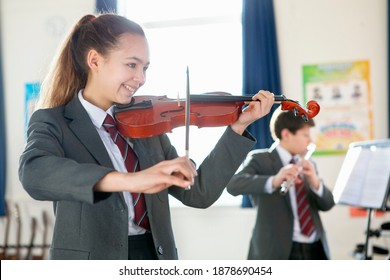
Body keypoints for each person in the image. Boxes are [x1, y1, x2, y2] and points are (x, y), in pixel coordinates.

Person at [18, 13, 274, 260]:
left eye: (145, 68)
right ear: (95, 60)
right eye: (131, 65)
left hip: (152, 257)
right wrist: (129, 181)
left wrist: (238, 127)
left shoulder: (146, 124)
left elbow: (200, 194)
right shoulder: (54, 121)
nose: (140, 78)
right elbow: (34, 173)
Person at [226, 108, 335, 260]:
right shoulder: (260, 159)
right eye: (305, 135)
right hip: (279, 251)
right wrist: (274, 180)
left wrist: (315, 182)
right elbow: (233, 185)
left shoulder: (309, 164)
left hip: (315, 247)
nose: (310, 141)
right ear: (286, 134)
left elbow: (328, 204)